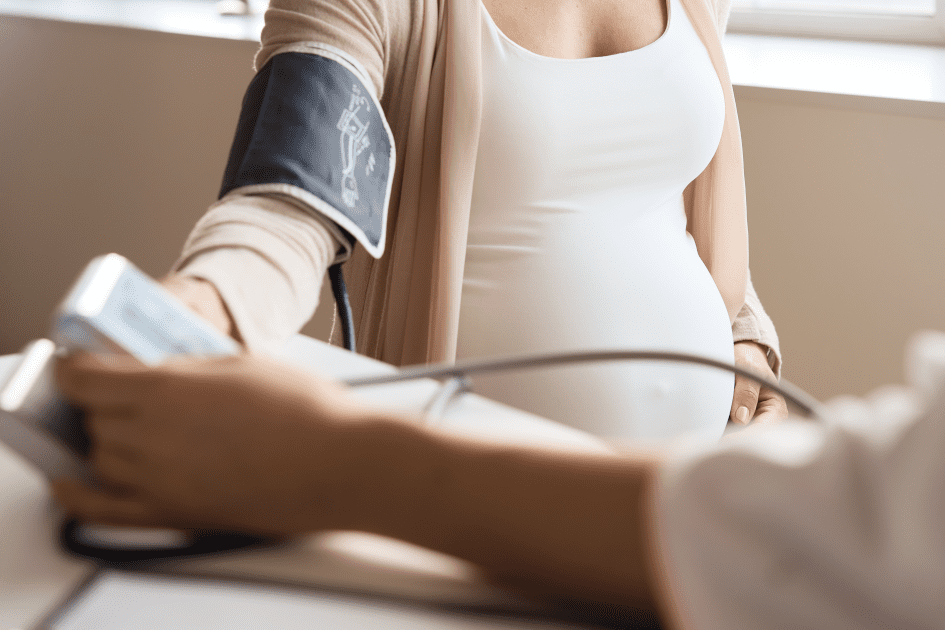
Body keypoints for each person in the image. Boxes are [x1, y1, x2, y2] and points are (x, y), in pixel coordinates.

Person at [160, 0, 787, 441]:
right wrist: (193, 309)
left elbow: (660, 181)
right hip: (458, 493)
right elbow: (289, 198)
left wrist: (743, 329)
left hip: (682, 490)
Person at [51, 329, 945, 629]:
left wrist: (746, 344)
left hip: (642, 476)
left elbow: (697, 209)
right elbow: (292, 186)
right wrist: (197, 317)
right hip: (510, 460)